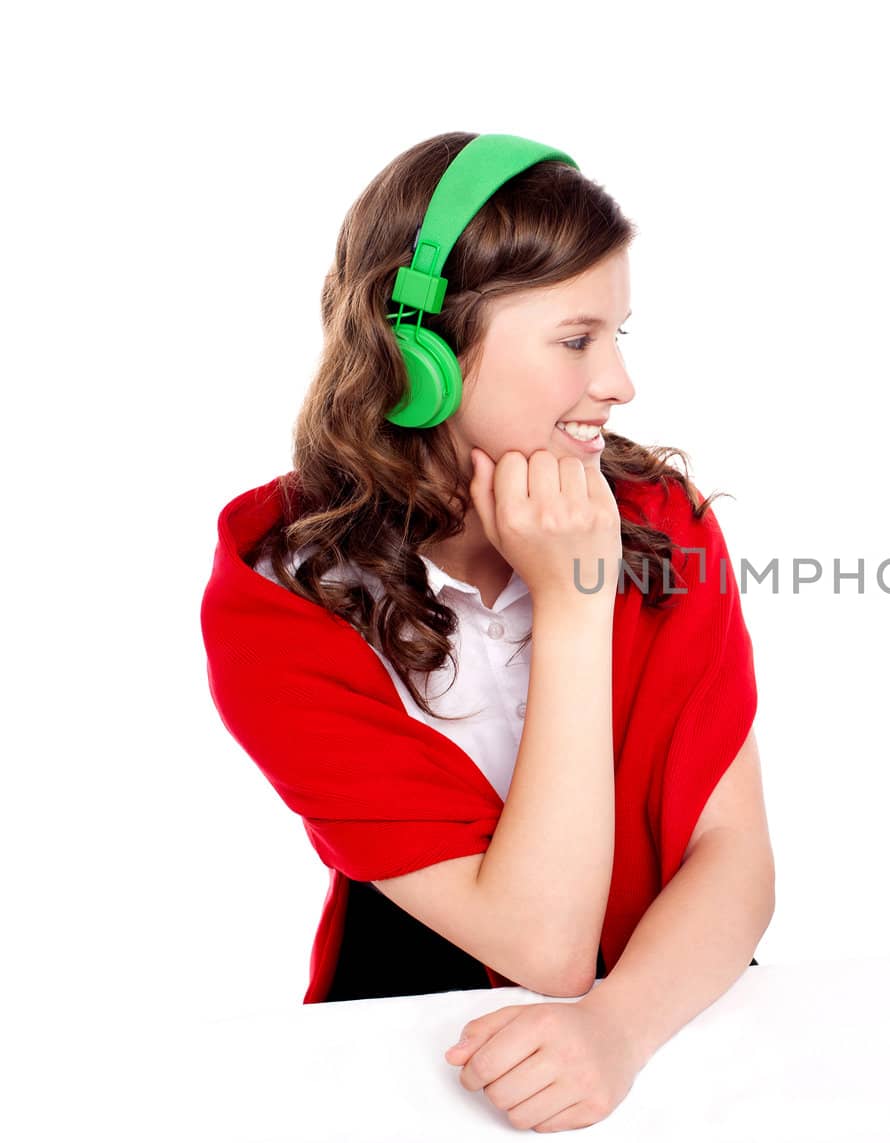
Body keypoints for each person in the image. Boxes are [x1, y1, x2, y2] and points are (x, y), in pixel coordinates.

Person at [200, 132, 775, 1133]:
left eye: (620, 334)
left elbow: (733, 853)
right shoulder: (280, 605)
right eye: (576, 339)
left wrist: (620, 1031)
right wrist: (572, 601)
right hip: (419, 1056)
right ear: (425, 353)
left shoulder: (660, 522)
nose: (620, 383)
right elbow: (542, 945)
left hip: (674, 1026)